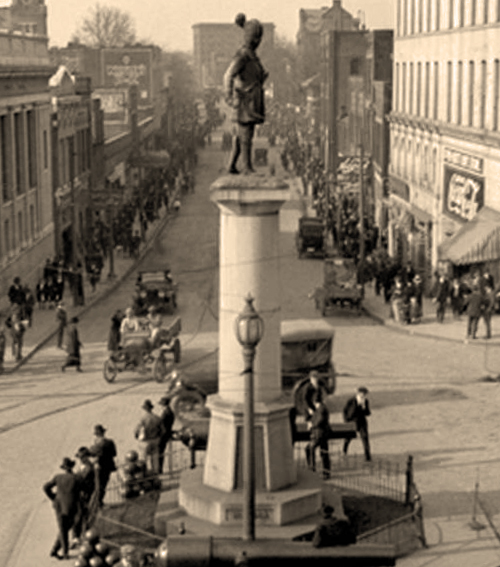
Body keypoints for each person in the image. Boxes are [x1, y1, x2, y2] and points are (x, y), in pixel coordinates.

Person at [224, 13, 268, 174]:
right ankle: (247, 166)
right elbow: (228, 75)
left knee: (242, 135)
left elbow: (253, 76)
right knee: (246, 135)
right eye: (257, 37)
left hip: (252, 100)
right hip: (244, 101)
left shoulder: (252, 56)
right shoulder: (243, 55)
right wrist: (229, 98)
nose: (258, 41)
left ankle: (232, 165)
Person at [43, 457, 80, 560]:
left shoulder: (58, 477)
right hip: (71, 506)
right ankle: (64, 552)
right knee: (66, 527)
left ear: (63, 468)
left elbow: (46, 487)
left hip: (59, 506)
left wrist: (53, 497)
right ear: (72, 467)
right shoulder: (76, 478)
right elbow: (82, 490)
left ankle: (56, 550)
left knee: (62, 528)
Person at [89, 424, 117, 507]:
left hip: (99, 467)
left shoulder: (96, 445)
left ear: (97, 435)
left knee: (99, 485)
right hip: (108, 466)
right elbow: (114, 454)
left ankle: (99, 502)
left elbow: (91, 454)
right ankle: (100, 501)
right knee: (104, 484)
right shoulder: (110, 442)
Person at [72, 447, 96, 543]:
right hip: (81, 493)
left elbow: (82, 480)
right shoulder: (83, 466)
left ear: (86, 457)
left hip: (84, 493)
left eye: (82, 457)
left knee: (81, 515)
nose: (80, 459)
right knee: (79, 515)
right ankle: (78, 535)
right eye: (79, 457)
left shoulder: (89, 468)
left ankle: (80, 535)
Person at [134, 399, 164, 475]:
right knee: (155, 458)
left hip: (145, 441)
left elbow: (137, 431)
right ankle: (156, 474)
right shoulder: (157, 418)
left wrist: (137, 436)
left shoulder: (143, 419)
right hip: (155, 440)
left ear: (145, 409)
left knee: (143, 459)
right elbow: (163, 430)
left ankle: (144, 474)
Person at [342, 386, 372, 461]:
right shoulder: (351, 401)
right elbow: (346, 411)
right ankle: (344, 451)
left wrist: (364, 407)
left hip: (362, 422)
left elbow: (368, 413)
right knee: (348, 437)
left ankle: (367, 456)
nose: (363, 396)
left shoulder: (366, 401)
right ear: (358, 394)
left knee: (365, 438)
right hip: (352, 422)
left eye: (364, 394)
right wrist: (346, 421)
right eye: (362, 394)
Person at [306, 397, 331, 478]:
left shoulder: (322, 409)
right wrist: (311, 414)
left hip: (320, 434)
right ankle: (325, 472)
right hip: (319, 434)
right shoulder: (319, 409)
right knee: (323, 452)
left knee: (310, 448)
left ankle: (312, 469)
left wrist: (311, 424)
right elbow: (310, 418)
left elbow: (319, 420)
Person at [158, 396, 175, 474]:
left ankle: (159, 469)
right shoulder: (170, 412)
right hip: (167, 434)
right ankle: (159, 468)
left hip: (163, 436)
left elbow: (163, 426)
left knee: (159, 453)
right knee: (160, 452)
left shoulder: (165, 413)